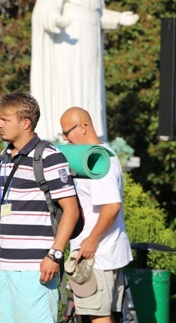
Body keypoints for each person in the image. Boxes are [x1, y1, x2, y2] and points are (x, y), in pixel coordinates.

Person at [0, 92, 80, 323]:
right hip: (4, 266)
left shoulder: (49, 157)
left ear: (25, 122)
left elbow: (71, 210)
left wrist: (54, 255)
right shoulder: (4, 156)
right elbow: (2, 199)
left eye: (5, 119)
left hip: (35, 267)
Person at [30, 0, 139, 142]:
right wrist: (54, 19)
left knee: (90, 87)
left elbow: (97, 15)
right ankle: (63, 131)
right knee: (69, 83)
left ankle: (90, 133)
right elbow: (50, 6)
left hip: (90, 45)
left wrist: (119, 18)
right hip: (68, 42)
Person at [60, 107, 132, 323]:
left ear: (83, 127)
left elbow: (112, 206)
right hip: (101, 253)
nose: (64, 138)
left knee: (97, 316)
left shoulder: (98, 159)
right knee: (100, 314)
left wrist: (92, 240)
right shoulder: (93, 155)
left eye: (67, 132)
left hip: (96, 255)